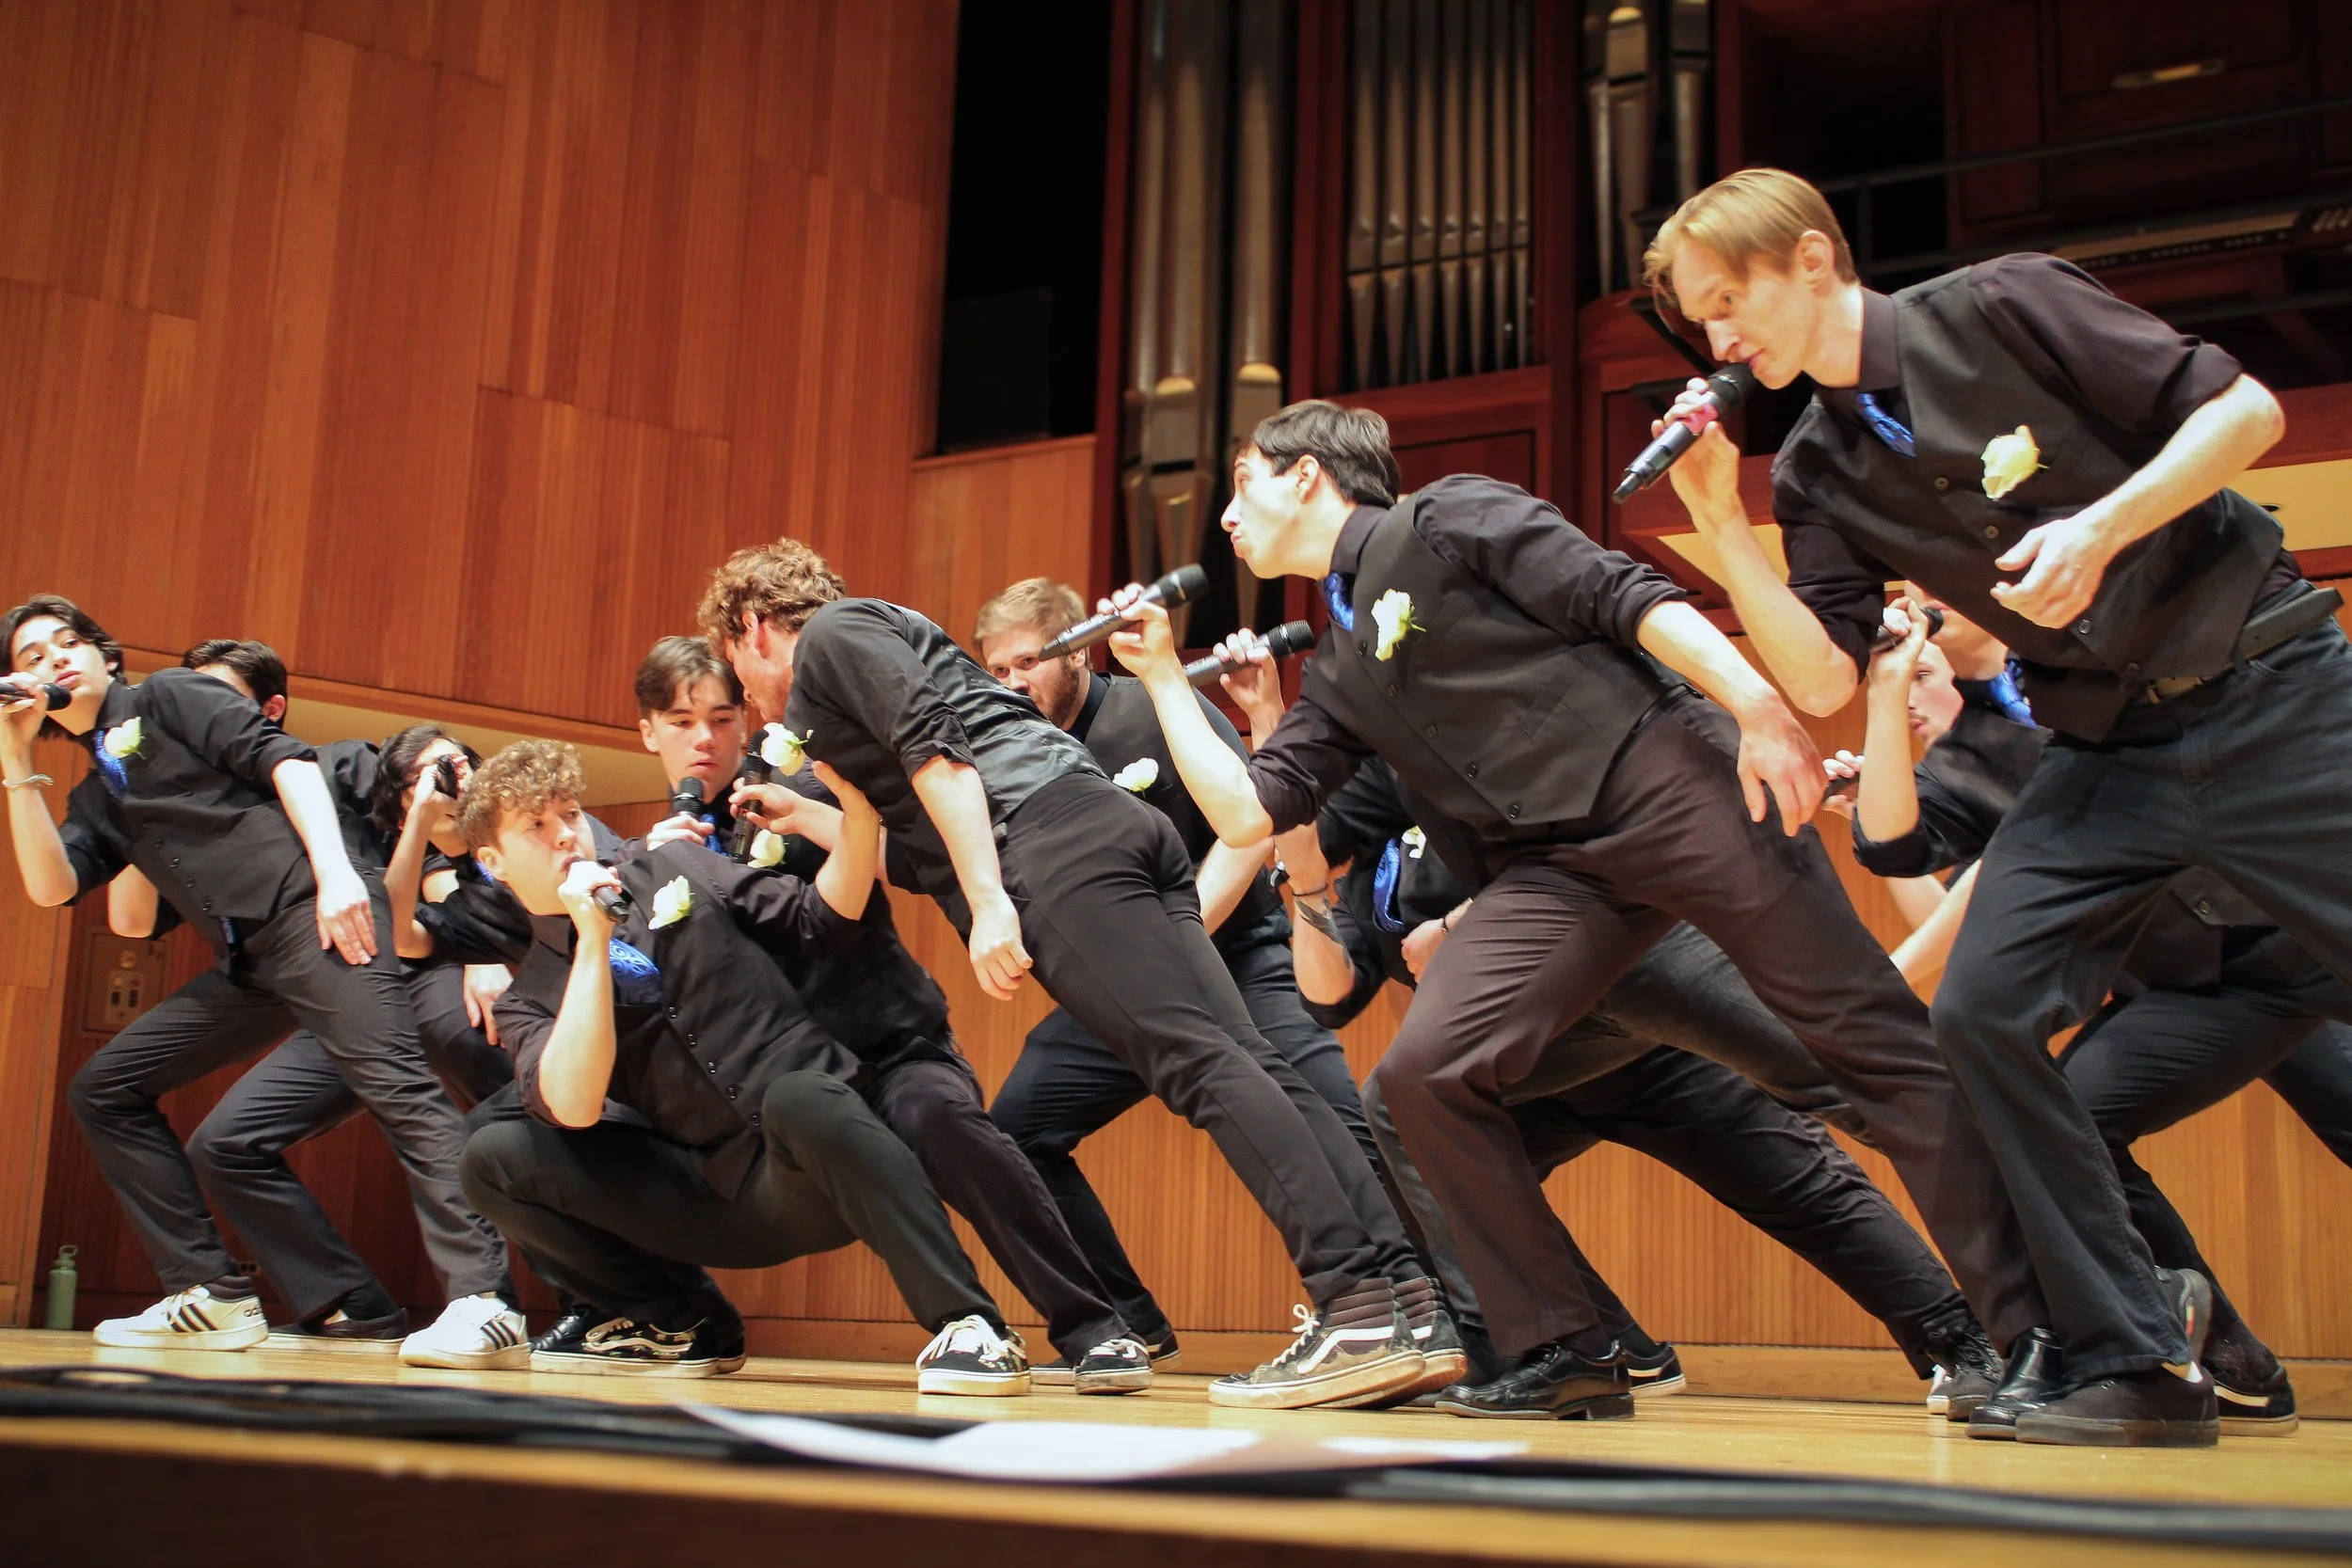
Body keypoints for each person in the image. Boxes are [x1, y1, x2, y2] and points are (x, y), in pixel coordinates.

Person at [1100, 399, 2057, 1425]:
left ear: (1305, 477)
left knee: (1865, 1047)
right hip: (1556, 869)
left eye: (1242, 480)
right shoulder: (1336, 668)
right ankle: (1559, 1347)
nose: (1227, 515)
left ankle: (2052, 1331)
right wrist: (1159, 677)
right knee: (1422, 1076)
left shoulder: (1446, 514)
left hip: (1669, 780)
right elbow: (1246, 807)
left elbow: (1625, 595)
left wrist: (1754, 708)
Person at [1644, 165, 2350, 1444]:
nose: (1720, 340)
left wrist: (2102, 526)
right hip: (2111, 750)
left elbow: (2245, 412)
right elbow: (1818, 678)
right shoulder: (1814, 467)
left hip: (2273, 690)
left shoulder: (2004, 305)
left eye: (1728, 298)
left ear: (1813, 260)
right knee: (1977, 1011)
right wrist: (1724, 528)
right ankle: (2137, 1358)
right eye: (1700, 321)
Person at [698, 542, 1438, 1410]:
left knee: (1207, 1068)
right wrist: (819, 815)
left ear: (750, 626)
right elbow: (918, 832)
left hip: (1051, 849)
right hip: (1100, 827)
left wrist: (990, 901)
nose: (746, 699)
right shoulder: (867, 651)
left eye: (735, 674)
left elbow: (942, 759)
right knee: (1242, 1057)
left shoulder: (833, 635)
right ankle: (1399, 1299)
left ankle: (1353, 1299)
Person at [1288, 757, 1998, 1407]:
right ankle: (1586, 1343)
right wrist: (1304, 880)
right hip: (1534, 1064)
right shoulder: (1368, 875)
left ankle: (1980, 1332)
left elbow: (1588, 835)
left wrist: (1458, 924)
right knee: (1410, 1125)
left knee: (1811, 1154)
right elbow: (1331, 999)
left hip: (1644, 996)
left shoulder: (1463, 762)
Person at [1834, 597, 2349, 1434]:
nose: (1915, 694)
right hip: (2185, 991)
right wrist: (1887, 697)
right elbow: (1901, 854)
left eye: (1927, 673)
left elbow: (1965, 908)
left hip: (2290, 948)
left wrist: (1889, 975)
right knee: (2070, 1127)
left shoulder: (2079, 699)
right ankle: (2224, 1356)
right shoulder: (1970, 761)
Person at [0, 599, 516, 1366]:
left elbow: (291, 762)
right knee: (103, 1087)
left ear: (109, 658)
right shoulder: (96, 793)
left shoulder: (170, 694)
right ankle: (211, 1291)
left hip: (318, 909)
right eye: (34, 657)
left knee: (396, 1085)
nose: (56, 660)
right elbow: (52, 886)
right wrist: (14, 761)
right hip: (252, 959)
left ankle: (485, 1302)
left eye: (70, 642)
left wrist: (338, 872)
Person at [628, 636, 1152, 1391]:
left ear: (745, 721)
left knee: (949, 1126)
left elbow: (879, 872)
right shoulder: (650, 857)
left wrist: (813, 816)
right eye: (680, 722)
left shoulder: (804, 784)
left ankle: (1098, 1327)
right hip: (792, 1081)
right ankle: (967, 1329)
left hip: (885, 1037)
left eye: (719, 717)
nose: (703, 739)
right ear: (648, 732)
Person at [456, 740, 1029, 1390]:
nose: (565, 835)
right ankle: (680, 1321)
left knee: (800, 1097)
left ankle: (970, 1324)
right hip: (720, 1199)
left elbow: (817, 916)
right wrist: (592, 940)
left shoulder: (673, 863)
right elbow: (574, 1105)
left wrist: (860, 815)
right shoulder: (528, 997)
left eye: (569, 813)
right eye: (537, 825)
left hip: (825, 1157)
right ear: (492, 860)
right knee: (491, 1155)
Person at [972, 578, 1406, 1384]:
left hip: (1238, 958)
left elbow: (1250, 825)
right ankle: (1129, 1322)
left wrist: (1180, 932)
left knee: (1335, 1119)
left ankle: (1410, 1310)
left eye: (1029, 660)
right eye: (996, 669)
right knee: (1014, 1137)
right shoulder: (1016, 757)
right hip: (1123, 984)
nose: (1012, 683)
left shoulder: (1152, 706)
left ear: (1077, 647)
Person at [157, 647, 517, 1361]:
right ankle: (347, 1300)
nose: (440, 781)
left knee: (499, 1098)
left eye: (451, 766)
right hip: (352, 994)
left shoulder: (480, 830)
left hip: (433, 981)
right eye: (421, 773)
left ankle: (513, 1299)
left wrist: (481, 955)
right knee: (225, 1143)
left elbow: (458, 904)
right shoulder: (325, 813)